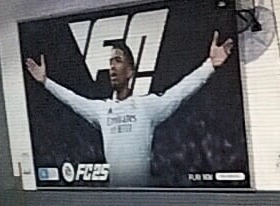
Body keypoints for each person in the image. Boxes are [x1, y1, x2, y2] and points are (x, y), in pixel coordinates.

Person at [24, 33, 235, 186]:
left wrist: (210, 65)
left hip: (144, 195)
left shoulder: (147, 107)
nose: (112, 67)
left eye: (118, 61)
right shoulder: (101, 110)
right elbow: (72, 100)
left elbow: (180, 91)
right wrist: (45, 82)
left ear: (130, 71)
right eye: (110, 62)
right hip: (115, 196)